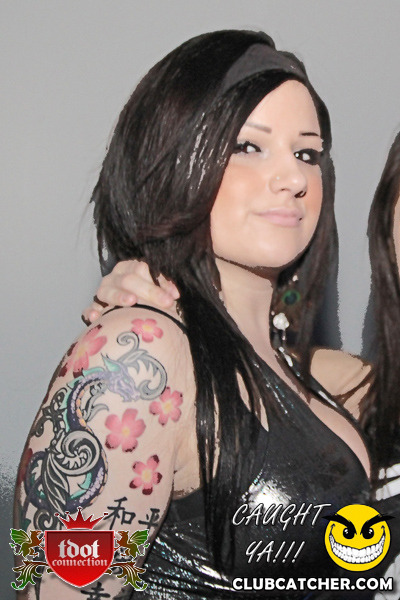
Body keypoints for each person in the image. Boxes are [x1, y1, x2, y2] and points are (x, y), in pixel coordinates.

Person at [16, 30, 385, 599]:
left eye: (306, 154)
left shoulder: (307, 373)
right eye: (249, 146)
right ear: (172, 157)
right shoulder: (138, 355)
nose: (293, 178)